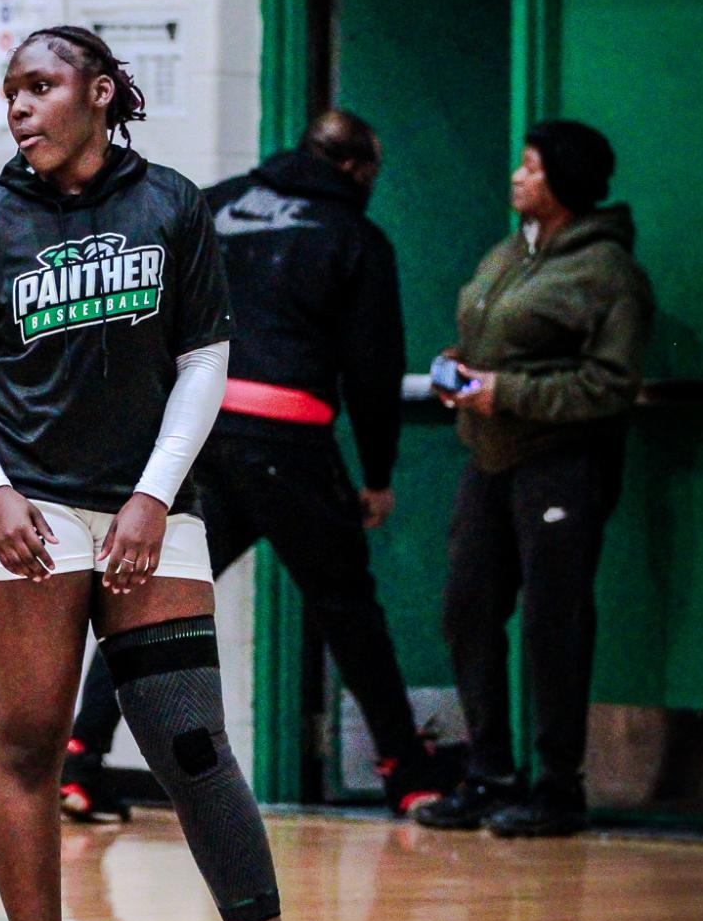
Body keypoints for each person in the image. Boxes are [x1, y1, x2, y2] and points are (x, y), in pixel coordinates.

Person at [0, 23, 338, 921]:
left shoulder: (170, 204)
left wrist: (153, 497)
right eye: (9, 90)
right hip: (24, 507)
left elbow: (203, 363)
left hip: (147, 504)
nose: (16, 105)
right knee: (27, 743)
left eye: (39, 85)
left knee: (192, 745)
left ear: (99, 94)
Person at [63, 108, 456, 822]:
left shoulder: (209, 204)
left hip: (191, 433)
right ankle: (407, 771)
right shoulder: (355, 236)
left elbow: (140, 313)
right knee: (347, 606)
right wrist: (375, 473)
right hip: (286, 440)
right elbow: (374, 369)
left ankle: (80, 761)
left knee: (144, 601)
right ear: (357, 171)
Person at [417, 119, 653, 838]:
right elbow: (492, 336)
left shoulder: (607, 271)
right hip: (487, 457)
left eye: (531, 166)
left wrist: (506, 390)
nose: (517, 176)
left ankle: (558, 786)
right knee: (467, 609)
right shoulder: (509, 252)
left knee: (554, 621)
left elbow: (610, 383)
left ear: (565, 181)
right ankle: (489, 772)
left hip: (560, 460)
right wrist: (459, 367)